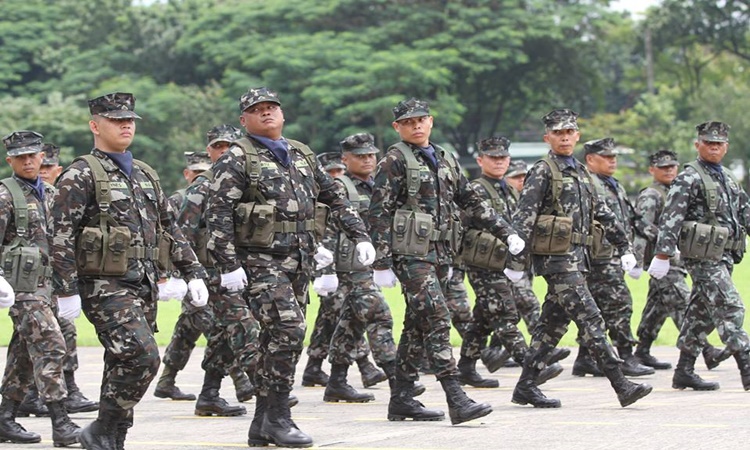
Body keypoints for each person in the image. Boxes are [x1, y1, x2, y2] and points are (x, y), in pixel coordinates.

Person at [206, 87, 375, 448]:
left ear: (282, 114)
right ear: (244, 120)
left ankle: (262, 424)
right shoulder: (236, 159)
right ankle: (280, 418)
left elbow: (332, 195)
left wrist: (359, 235)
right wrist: (228, 264)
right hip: (258, 261)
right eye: (257, 110)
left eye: (272, 108)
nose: (266, 114)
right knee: (289, 329)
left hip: (298, 260)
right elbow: (217, 214)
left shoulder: (301, 154)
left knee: (273, 340)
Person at [50, 92, 209, 449]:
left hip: (144, 284)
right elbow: (58, 236)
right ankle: (103, 429)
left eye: (130, 120)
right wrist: (65, 290)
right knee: (142, 355)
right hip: (103, 285)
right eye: (116, 120)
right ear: (95, 125)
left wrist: (193, 271)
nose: (125, 125)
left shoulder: (145, 174)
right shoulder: (80, 175)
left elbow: (171, 228)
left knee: (120, 361)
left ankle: (114, 438)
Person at [369, 97, 525, 425]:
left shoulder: (445, 158)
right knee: (439, 317)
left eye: (421, 119)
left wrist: (505, 231)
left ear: (430, 121)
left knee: (416, 325)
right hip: (411, 255)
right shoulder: (394, 160)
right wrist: (382, 261)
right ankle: (456, 395)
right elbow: (379, 210)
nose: (416, 125)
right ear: (397, 127)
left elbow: (470, 199)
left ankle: (401, 399)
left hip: (440, 253)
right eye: (408, 122)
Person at [504, 109, 652, 409]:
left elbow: (602, 212)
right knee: (591, 318)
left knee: (550, 327)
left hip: (579, 258)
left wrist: (624, 246)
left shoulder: (581, 172)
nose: (565, 137)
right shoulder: (543, 170)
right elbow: (525, 213)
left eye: (570, 132)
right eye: (558, 133)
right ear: (548, 137)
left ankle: (526, 386)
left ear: (577, 135)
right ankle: (621, 384)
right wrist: (515, 256)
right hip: (557, 260)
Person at [648, 121, 750, 391]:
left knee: (699, 313)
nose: (714, 147)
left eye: (719, 143)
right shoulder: (689, 177)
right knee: (730, 306)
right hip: (702, 257)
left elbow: (744, 211)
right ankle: (747, 367)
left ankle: (684, 370)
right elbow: (672, 216)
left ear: (726, 147)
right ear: (698, 145)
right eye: (709, 143)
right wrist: (662, 254)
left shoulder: (728, 177)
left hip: (725, 255)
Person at [459, 137, 567, 387]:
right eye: (493, 158)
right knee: (504, 313)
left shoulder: (507, 189)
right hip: (483, 262)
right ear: (480, 160)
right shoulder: (476, 189)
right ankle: (531, 367)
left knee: (483, 317)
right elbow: (463, 227)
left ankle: (465, 366)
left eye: (502, 158)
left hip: (504, 262)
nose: (498, 162)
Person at [0, 130, 81, 446]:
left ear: (40, 157)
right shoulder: (5, 197)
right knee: (51, 344)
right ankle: (61, 423)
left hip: (47, 288)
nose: (28, 161)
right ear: (10, 160)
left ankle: (5, 418)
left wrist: (69, 285)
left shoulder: (50, 194)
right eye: (20, 157)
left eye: (32, 155)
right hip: (21, 289)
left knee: (23, 354)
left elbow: (62, 242)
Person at [172, 127, 257, 416]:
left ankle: (209, 395)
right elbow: (180, 234)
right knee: (245, 328)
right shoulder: (202, 187)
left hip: (246, 271)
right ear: (209, 151)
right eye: (217, 146)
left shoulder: (249, 182)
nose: (223, 150)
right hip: (213, 275)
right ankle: (268, 391)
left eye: (229, 145)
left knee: (222, 336)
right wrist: (184, 274)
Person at [17, 142, 100, 418]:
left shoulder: (56, 196)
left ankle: (23, 401)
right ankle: (57, 409)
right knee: (53, 337)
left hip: (55, 281)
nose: (40, 170)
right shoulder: (12, 196)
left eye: (46, 165)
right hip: (26, 283)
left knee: (27, 343)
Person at [633, 150, 730, 371]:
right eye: (663, 167)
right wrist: (665, 245)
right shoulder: (652, 194)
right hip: (662, 261)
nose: (669, 170)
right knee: (683, 303)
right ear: (652, 170)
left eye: (672, 167)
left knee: (657, 307)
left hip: (675, 260)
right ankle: (706, 350)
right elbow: (642, 226)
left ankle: (641, 351)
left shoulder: (676, 191)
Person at [323, 133, 397, 403]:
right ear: (345, 159)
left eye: (370, 155)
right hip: (347, 267)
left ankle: (337, 382)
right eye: (360, 156)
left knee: (351, 323)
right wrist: (326, 271)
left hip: (370, 267)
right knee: (379, 315)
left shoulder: (379, 185)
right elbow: (326, 229)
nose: (367, 159)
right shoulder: (339, 187)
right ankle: (399, 382)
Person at [575, 138, 653, 377]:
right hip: (598, 256)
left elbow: (630, 217)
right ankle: (626, 356)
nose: (612, 161)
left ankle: (585, 358)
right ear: (590, 159)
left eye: (614, 157)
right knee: (620, 303)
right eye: (606, 157)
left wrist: (657, 236)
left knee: (598, 308)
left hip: (613, 255)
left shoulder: (613, 184)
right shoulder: (587, 183)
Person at [305, 152, 382, 389]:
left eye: (338, 172)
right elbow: (323, 231)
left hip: (353, 264)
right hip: (330, 264)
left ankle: (314, 367)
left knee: (333, 316)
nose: (335, 178)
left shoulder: (364, 188)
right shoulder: (319, 196)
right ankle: (364, 364)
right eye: (330, 174)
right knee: (344, 313)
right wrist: (324, 271)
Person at [155, 151, 216, 402]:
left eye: (205, 172)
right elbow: (168, 239)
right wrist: (172, 275)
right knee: (216, 326)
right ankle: (246, 379)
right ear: (187, 173)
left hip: (216, 274)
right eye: (196, 173)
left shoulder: (219, 196)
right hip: (192, 275)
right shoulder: (178, 199)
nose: (200, 177)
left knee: (188, 329)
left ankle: (167, 380)